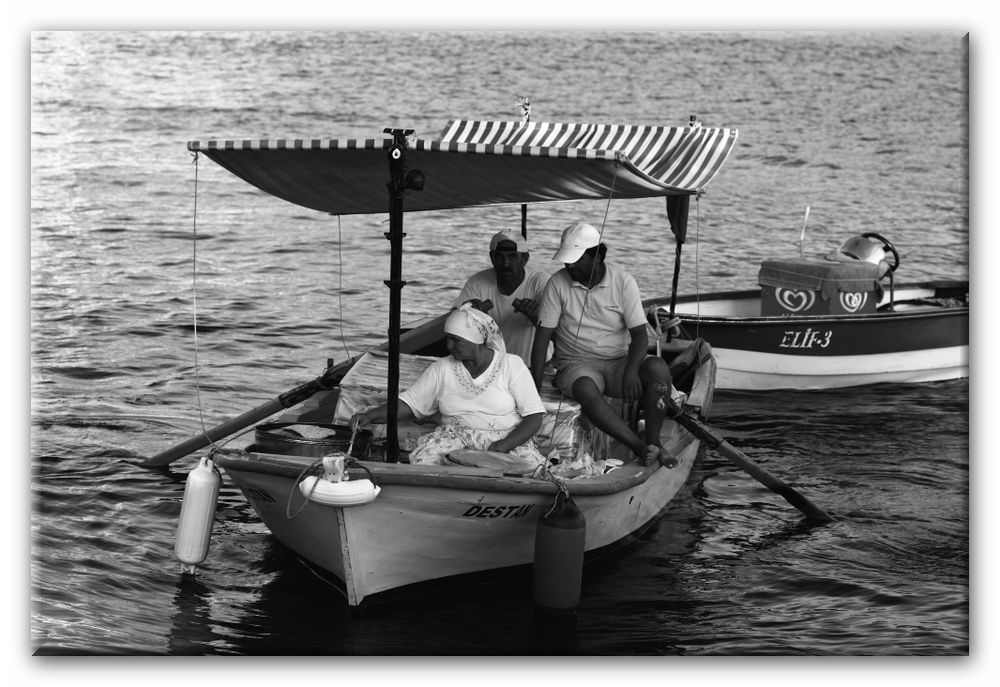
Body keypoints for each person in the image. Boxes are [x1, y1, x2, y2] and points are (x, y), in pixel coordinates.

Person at [529, 222, 677, 468]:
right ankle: (638, 446)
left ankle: (654, 443)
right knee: (586, 388)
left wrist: (631, 370)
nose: (570, 265)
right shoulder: (557, 284)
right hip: (577, 366)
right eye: (567, 260)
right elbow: (542, 338)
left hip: (617, 364)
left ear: (598, 255)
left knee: (659, 370)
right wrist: (532, 390)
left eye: (576, 259)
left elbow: (640, 336)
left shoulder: (623, 282)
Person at [351, 303, 547, 466]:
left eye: (455, 340)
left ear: (476, 339)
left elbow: (534, 417)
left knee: (528, 471)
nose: (449, 346)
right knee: (426, 464)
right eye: (448, 339)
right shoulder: (442, 368)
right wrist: (369, 416)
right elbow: (409, 404)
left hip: (505, 441)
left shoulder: (511, 364)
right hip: (453, 439)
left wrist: (502, 447)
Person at [453, 229, 550, 363]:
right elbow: (454, 325)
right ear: (492, 257)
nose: (505, 264)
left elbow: (559, 328)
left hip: (532, 366)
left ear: (525, 259)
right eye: (500, 257)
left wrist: (536, 316)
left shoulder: (540, 282)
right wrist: (469, 316)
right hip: (491, 366)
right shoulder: (477, 282)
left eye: (512, 257)